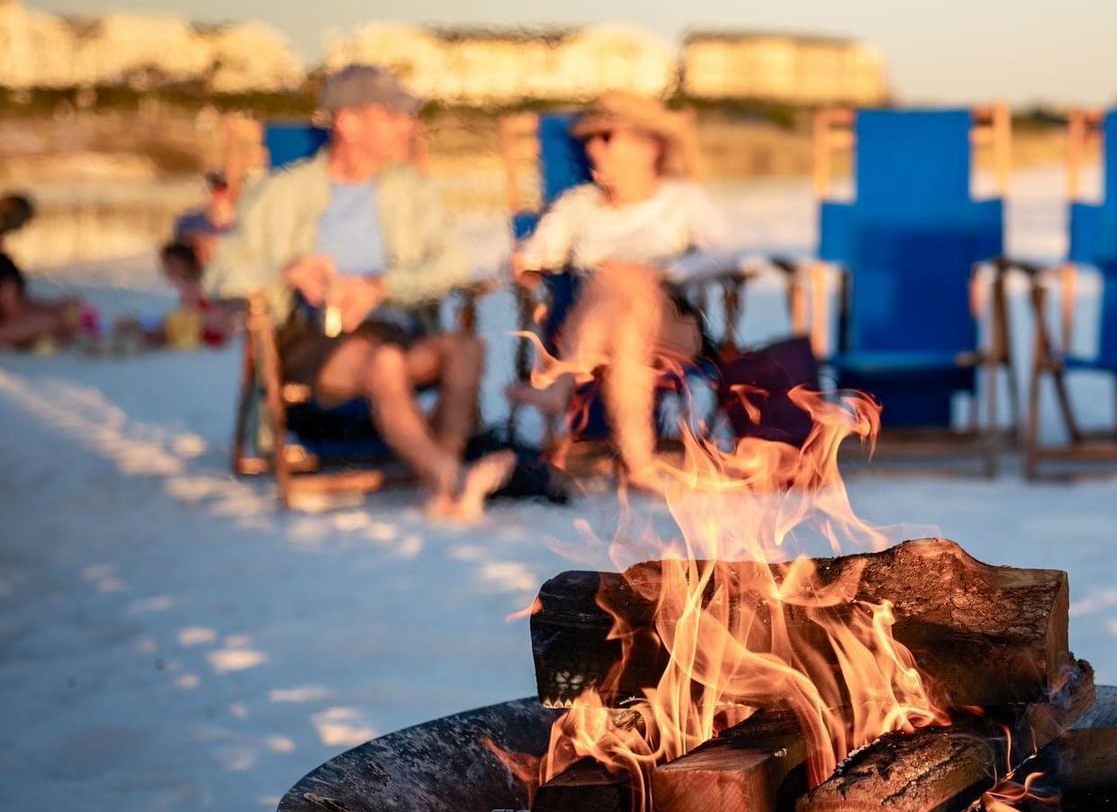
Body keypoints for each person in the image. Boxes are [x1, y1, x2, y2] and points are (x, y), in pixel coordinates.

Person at [205, 64, 512, 519]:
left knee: (465, 349)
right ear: (347, 121)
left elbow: (453, 264)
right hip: (314, 340)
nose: (407, 126)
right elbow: (220, 274)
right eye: (392, 115)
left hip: (394, 327)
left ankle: (437, 482)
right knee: (382, 361)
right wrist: (286, 271)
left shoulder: (411, 190)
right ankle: (452, 476)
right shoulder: (282, 192)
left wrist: (380, 286)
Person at [506, 91, 740, 483]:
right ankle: (640, 466)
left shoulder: (681, 200)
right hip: (609, 329)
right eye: (590, 139)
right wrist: (525, 261)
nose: (594, 147)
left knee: (622, 277)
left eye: (607, 136)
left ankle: (560, 385)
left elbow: (727, 255)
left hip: (672, 328)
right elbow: (537, 253)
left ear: (649, 145)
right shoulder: (577, 205)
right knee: (625, 325)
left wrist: (665, 271)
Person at [0, 192, 84, 351]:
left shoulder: (5, 262)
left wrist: (55, 307)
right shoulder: (2, 265)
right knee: (47, 323)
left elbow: (18, 301)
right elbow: (13, 310)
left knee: (53, 318)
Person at [172, 171, 236, 265]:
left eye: (220, 189)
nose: (214, 193)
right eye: (210, 188)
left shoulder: (244, 222)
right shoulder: (187, 222)